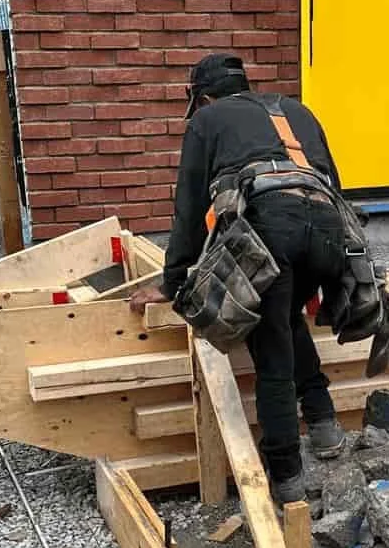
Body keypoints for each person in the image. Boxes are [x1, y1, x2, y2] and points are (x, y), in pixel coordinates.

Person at [130, 53, 354, 505]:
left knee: (270, 348)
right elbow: (333, 183)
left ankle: (288, 479)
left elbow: (190, 210)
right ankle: (326, 426)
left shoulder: (206, 120)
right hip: (330, 233)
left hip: (272, 230)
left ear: (204, 98)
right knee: (287, 315)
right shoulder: (296, 110)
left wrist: (173, 282)